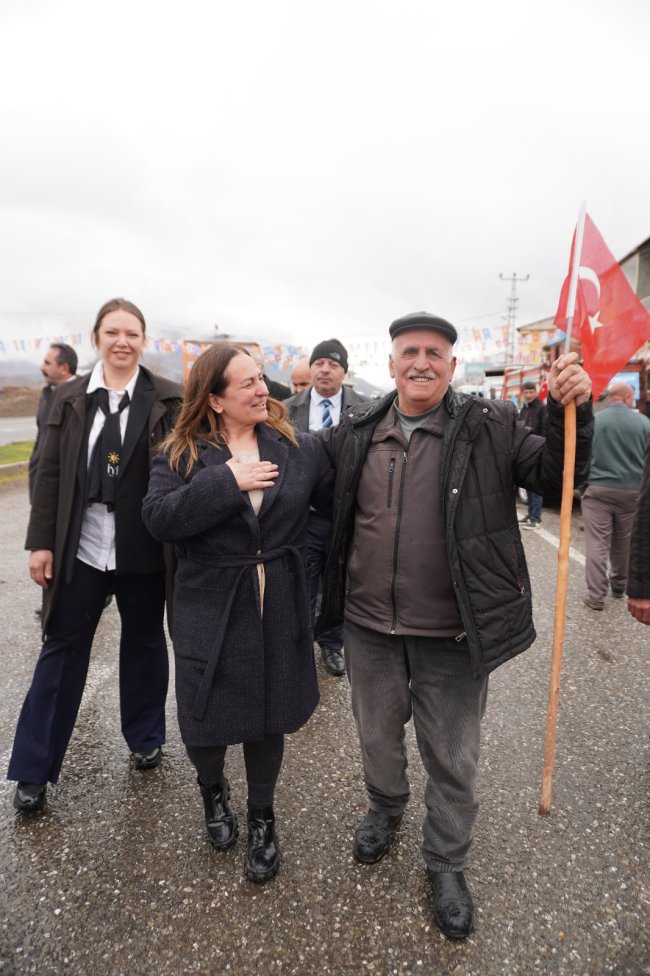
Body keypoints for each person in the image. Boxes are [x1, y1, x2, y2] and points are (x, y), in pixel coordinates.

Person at [316, 311, 592, 939]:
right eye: (410, 351)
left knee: (453, 755)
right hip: (368, 626)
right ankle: (386, 806)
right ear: (390, 363)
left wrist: (570, 410)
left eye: (434, 353)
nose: (421, 362)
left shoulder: (491, 426)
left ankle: (446, 859)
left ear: (452, 365)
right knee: (376, 738)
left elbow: (557, 476)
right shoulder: (357, 429)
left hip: (453, 632)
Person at [142, 344, 334, 884]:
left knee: (267, 716)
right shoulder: (179, 454)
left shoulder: (295, 446)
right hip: (209, 604)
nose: (262, 390)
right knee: (204, 719)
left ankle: (262, 817)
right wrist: (227, 482)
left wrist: (307, 554)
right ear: (215, 399)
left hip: (277, 603)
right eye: (247, 383)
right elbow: (158, 518)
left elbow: (332, 503)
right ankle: (212, 791)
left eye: (261, 378)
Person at [8, 298, 182, 813]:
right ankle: (34, 767)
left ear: (144, 341)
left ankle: (145, 736)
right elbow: (47, 472)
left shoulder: (168, 398)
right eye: (112, 332)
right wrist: (41, 542)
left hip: (143, 547)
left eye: (132, 333)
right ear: (96, 337)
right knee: (61, 648)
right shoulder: (68, 398)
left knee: (145, 641)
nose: (122, 341)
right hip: (81, 546)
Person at [285, 339, 367, 676]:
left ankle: (332, 644)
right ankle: (298, 648)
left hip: (344, 516)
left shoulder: (365, 409)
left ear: (343, 372)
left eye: (333, 364)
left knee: (337, 584)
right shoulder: (287, 409)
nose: (325, 369)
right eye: (319, 363)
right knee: (301, 584)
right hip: (301, 516)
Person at [581, 382, 650, 610]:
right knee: (624, 540)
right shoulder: (644, 423)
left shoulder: (595, 421)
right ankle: (619, 585)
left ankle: (596, 596)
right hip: (633, 491)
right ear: (628, 397)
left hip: (598, 489)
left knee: (597, 542)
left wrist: (583, 485)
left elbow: (583, 456)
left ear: (611, 397)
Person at [28, 343, 78, 501]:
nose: (42, 367)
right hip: (41, 484)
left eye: (47, 363)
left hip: (67, 490)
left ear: (64, 368)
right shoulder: (46, 395)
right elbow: (41, 437)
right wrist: (34, 466)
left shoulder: (84, 397)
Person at [518, 379, 547, 528]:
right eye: (526, 392)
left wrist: (539, 446)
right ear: (522, 393)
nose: (528, 395)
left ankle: (536, 518)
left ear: (536, 392)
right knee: (528, 483)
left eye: (531, 392)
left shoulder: (542, 408)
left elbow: (545, 429)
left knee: (536, 485)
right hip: (526, 452)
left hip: (538, 451)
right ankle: (530, 514)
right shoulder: (524, 409)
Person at [627, 438, 650, 625]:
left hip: (602, 488)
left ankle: (598, 591)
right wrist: (641, 586)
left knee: (600, 540)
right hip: (629, 488)